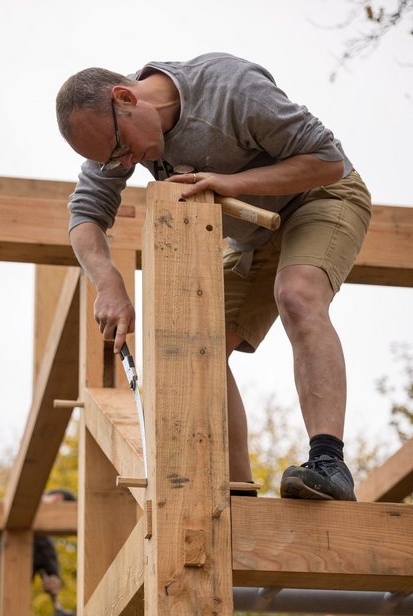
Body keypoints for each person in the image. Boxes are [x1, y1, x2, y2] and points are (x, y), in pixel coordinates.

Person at [55, 53, 372, 502]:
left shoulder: (230, 89)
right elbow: (85, 215)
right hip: (253, 238)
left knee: (297, 294)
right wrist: (108, 283)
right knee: (192, 340)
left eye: (120, 148)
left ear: (125, 98)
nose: (124, 161)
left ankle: (328, 463)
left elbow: (328, 161)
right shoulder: (116, 136)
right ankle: (237, 494)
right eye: (113, 160)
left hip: (321, 196)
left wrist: (232, 183)